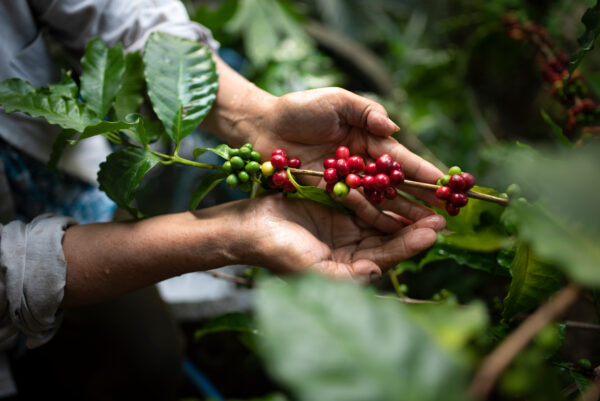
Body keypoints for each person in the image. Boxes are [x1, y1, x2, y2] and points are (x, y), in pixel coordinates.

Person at [0, 0, 445, 399]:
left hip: (56, 183)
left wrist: (259, 117)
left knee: (147, 358)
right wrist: (230, 233)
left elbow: (117, 11)